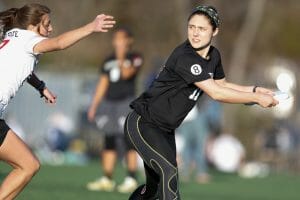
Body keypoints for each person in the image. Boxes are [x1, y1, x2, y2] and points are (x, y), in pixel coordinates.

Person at [125, 5, 278, 200]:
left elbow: (223, 85)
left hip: (164, 129)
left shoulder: (213, 56)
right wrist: (255, 98)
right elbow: (216, 93)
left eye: (202, 28)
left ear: (215, 31)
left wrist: (255, 90)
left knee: (155, 189)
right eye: (192, 27)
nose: (195, 33)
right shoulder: (185, 56)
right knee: (169, 174)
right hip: (142, 123)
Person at [0, 3, 115, 199]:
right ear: (32, 26)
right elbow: (59, 43)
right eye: (47, 24)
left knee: (29, 165)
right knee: (28, 166)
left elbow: (18, 68)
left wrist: (40, 87)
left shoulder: (11, 39)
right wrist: (91, 27)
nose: (51, 29)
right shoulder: (29, 39)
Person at [86, 28, 142, 193]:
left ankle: (131, 178)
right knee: (109, 139)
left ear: (129, 41)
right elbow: (103, 83)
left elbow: (126, 74)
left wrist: (121, 55)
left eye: (121, 39)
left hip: (126, 102)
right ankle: (107, 178)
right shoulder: (107, 60)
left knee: (127, 139)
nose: (117, 42)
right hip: (109, 103)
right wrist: (94, 105)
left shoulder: (135, 57)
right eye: (115, 39)